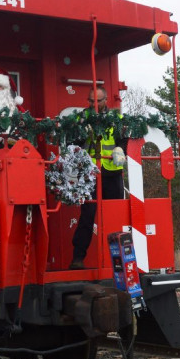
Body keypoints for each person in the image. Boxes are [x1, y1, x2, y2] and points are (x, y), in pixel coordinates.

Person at [70, 86, 127, 270]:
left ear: (106, 101)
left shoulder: (116, 119)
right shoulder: (80, 119)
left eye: (99, 101)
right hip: (90, 174)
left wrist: (120, 149)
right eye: (91, 101)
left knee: (116, 216)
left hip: (111, 172)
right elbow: (73, 144)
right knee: (87, 216)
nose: (95, 105)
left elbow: (124, 140)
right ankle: (78, 258)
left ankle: (119, 261)